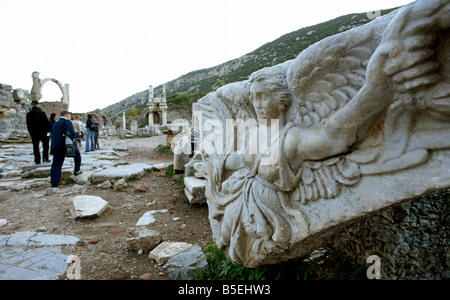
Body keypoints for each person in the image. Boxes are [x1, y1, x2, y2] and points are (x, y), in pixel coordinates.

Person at [50, 111, 82, 188]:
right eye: (69, 115)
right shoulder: (67, 122)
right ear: (66, 115)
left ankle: (54, 182)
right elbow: (71, 132)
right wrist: (73, 139)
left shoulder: (55, 123)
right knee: (77, 156)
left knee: (56, 164)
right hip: (66, 144)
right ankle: (77, 170)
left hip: (56, 145)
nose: (70, 116)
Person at [26, 100, 51, 164]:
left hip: (34, 132)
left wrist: (30, 132)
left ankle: (37, 160)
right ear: (37, 105)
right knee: (45, 145)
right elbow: (46, 122)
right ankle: (45, 158)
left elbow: (28, 124)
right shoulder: (41, 113)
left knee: (35, 146)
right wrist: (49, 130)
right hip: (42, 132)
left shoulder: (29, 114)